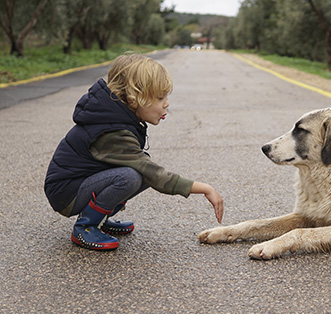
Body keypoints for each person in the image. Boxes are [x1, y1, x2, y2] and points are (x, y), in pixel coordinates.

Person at [44, 53, 223, 250]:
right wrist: (204, 188)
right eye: (160, 98)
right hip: (66, 193)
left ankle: (99, 218)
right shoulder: (112, 131)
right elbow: (155, 174)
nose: (167, 104)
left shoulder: (117, 118)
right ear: (135, 98)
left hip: (80, 183)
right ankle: (86, 226)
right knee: (132, 175)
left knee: (142, 169)